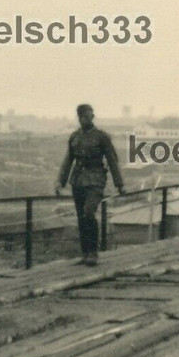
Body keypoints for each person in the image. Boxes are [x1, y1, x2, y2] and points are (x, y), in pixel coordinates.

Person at [55, 104, 124, 266]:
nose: (85, 120)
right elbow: (68, 161)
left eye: (88, 116)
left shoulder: (101, 137)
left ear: (92, 117)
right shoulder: (74, 137)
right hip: (78, 181)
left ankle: (93, 252)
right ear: (78, 118)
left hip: (95, 180)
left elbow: (113, 161)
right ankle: (85, 253)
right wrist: (60, 182)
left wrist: (120, 184)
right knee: (80, 217)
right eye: (82, 117)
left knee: (88, 213)